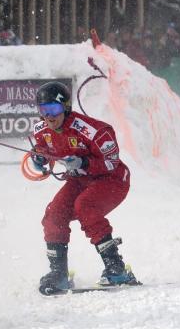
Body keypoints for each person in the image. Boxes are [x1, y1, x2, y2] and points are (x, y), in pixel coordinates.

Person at [29, 81, 138, 295]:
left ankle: (116, 268)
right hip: (79, 181)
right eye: (43, 110)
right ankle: (58, 273)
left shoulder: (94, 131)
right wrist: (39, 158)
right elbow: (43, 149)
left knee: (85, 206)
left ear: (66, 107)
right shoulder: (42, 130)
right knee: (54, 214)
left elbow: (111, 162)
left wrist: (84, 163)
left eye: (54, 109)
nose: (49, 116)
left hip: (112, 180)